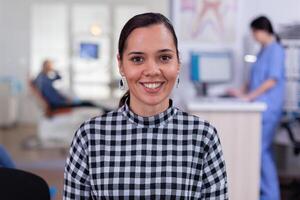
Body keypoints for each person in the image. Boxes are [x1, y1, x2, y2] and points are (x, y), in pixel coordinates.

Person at [64, 12, 228, 199]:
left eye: (164, 58)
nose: (151, 71)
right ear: (121, 64)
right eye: (137, 59)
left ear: (178, 62)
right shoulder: (89, 136)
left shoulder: (203, 136)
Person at [228, 16, 285, 200]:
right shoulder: (262, 51)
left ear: (261, 30)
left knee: (260, 150)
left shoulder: (275, 50)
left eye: (254, 32)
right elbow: (252, 78)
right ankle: (262, 191)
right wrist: (241, 92)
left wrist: (249, 97)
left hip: (269, 107)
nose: (253, 36)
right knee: (259, 149)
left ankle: (270, 195)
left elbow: (272, 80)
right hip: (258, 106)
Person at [33, 59, 103, 111]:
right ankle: (105, 111)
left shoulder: (43, 77)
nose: (52, 67)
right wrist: (66, 101)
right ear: (46, 66)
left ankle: (105, 110)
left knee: (86, 103)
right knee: (87, 104)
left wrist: (54, 70)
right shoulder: (44, 80)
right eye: (50, 66)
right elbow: (52, 98)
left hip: (59, 102)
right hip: (58, 104)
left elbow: (59, 78)